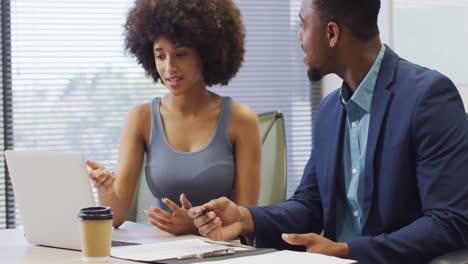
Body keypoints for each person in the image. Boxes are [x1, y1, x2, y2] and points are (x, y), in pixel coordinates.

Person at [190, 0, 468, 262]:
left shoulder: (427, 98)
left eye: (303, 25)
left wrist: (347, 251)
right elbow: (310, 205)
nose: (299, 37)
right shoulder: (329, 111)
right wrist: (244, 218)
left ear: (332, 33)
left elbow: (449, 220)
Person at [87, 0, 261, 235]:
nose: (169, 68)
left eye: (181, 54)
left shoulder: (241, 120)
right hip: (159, 251)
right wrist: (106, 190)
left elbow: (246, 220)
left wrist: (194, 225)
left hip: (221, 251)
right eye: (160, 56)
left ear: (205, 54)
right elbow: (116, 218)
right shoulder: (141, 119)